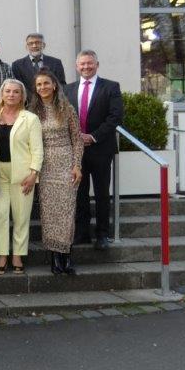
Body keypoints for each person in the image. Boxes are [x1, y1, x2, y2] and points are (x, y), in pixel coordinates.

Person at [64, 50, 123, 250]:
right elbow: (64, 118)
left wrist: (93, 136)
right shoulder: (67, 89)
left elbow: (115, 117)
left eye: (90, 63)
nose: (86, 67)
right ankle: (82, 233)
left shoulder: (111, 87)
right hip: (76, 151)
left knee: (101, 193)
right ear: (76, 66)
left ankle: (102, 234)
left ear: (97, 65)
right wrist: (77, 138)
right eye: (82, 64)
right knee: (79, 193)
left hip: (101, 148)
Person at [30, 69, 83, 274]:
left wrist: (77, 165)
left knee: (67, 212)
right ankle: (54, 258)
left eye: (46, 83)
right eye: (39, 84)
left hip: (66, 164)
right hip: (45, 166)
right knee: (49, 212)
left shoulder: (67, 109)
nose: (42, 87)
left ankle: (66, 257)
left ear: (54, 85)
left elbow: (77, 139)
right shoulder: (32, 111)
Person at [0, 79, 43, 274]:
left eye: (16, 92)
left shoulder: (30, 119)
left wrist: (34, 173)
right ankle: (2, 254)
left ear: (22, 96)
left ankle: (18, 255)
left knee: (21, 217)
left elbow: (37, 149)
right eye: (8, 91)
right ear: (2, 94)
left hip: (23, 174)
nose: (11, 95)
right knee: (0, 215)